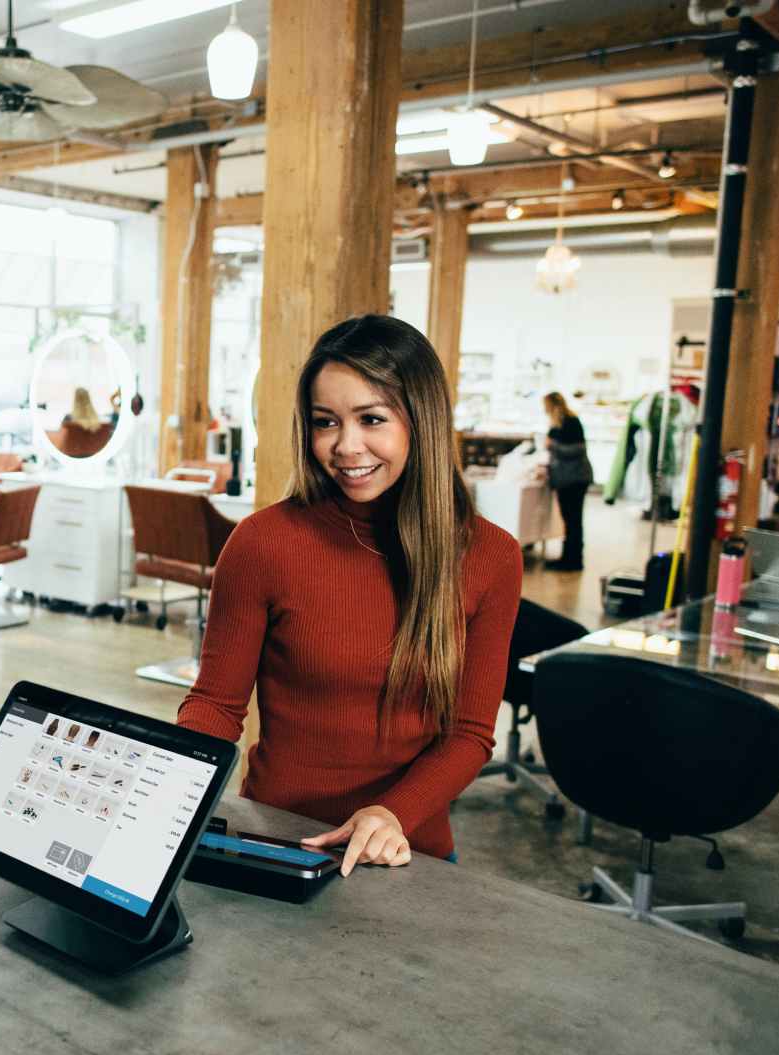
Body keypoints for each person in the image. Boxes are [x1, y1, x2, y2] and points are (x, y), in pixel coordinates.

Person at [178, 315, 522, 873]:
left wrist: (391, 813)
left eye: (371, 419)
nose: (344, 446)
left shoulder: (489, 556)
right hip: (277, 841)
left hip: (407, 853)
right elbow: (216, 705)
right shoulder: (264, 542)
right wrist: (165, 784)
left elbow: (470, 734)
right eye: (325, 422)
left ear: (421, 422)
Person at [542, 391, 593, 571]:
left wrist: (552, 445)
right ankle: (569, 557)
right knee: (570, 520)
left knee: (573, 520)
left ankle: (573, 560)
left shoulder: (570, 422)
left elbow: (578, 449)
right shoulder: (559, 423)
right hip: (566, 478)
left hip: (574, 479)